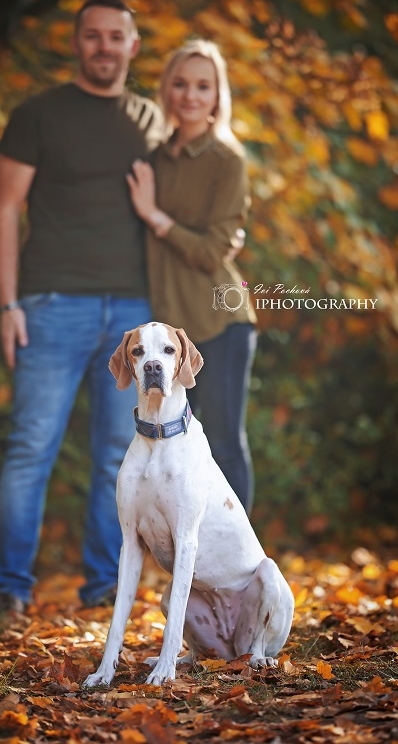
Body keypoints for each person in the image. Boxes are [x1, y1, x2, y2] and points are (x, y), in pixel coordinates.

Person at [0, 0, 163, 619]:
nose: (104, 46)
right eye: (93, 35)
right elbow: (4, 208)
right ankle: (10, 589)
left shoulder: (151, 120)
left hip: (133, 315)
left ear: (132, 45)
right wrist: (9, 304)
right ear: (76, 42)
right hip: (51, 304)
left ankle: (103, 590)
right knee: (31, 447)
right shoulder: (37, 115)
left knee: (120, 456)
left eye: (116, 36)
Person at [126, 40, 258, 512]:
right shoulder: (154, 158)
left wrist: (154, 216)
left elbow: (211, 252)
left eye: (203, 86)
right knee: (172, 447)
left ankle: (239, 554)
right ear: (167, 90)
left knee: (221, 444)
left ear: (218, 95)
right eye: (180, 84)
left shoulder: (227, 160)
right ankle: (185, 553)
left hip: (218, 322)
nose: (191, 95)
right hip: (168, 333)